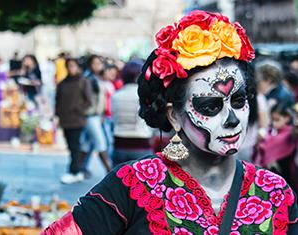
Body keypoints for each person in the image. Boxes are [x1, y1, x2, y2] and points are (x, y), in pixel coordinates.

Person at [42, 11, 298, 234]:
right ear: (173, 115)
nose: (232, 119)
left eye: (239, 101)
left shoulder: (275, 192)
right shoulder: (135, 183)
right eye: (210, 106)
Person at [55, 58, 92, 184]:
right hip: (65, 120)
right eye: (69, 66)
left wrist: (78, 109)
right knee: (71, 146)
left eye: (73, 66)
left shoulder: (83, 81)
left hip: (77, 120)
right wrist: (58, 116)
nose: (71, 68)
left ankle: (74, 170)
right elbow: (58, 102)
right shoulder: (62, 83)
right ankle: (77, 170)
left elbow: (89, 101)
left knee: (75, 146)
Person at [111, 60, 154, 166]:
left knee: (119, 181)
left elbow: (114, 119)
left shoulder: (116, 96)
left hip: (119, 143)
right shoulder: (144, 96)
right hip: (141, 143)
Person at [80, 55, 112, 176]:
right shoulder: (88, 79)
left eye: (100, 63)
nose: (98, 66)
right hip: (90, 115)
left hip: (97, 115)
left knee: (86, 144)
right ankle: (109, 170)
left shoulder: (97, 78)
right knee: (101, 143)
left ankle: (78, 168)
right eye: (95, 63)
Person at [253, 103, 297, 187]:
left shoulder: (290, 133)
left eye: (277, 120)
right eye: (272, 120)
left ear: (287, 118)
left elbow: (270, 146)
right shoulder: (269, 131)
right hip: (270, 173)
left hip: (285, 172)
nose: (274, 123)